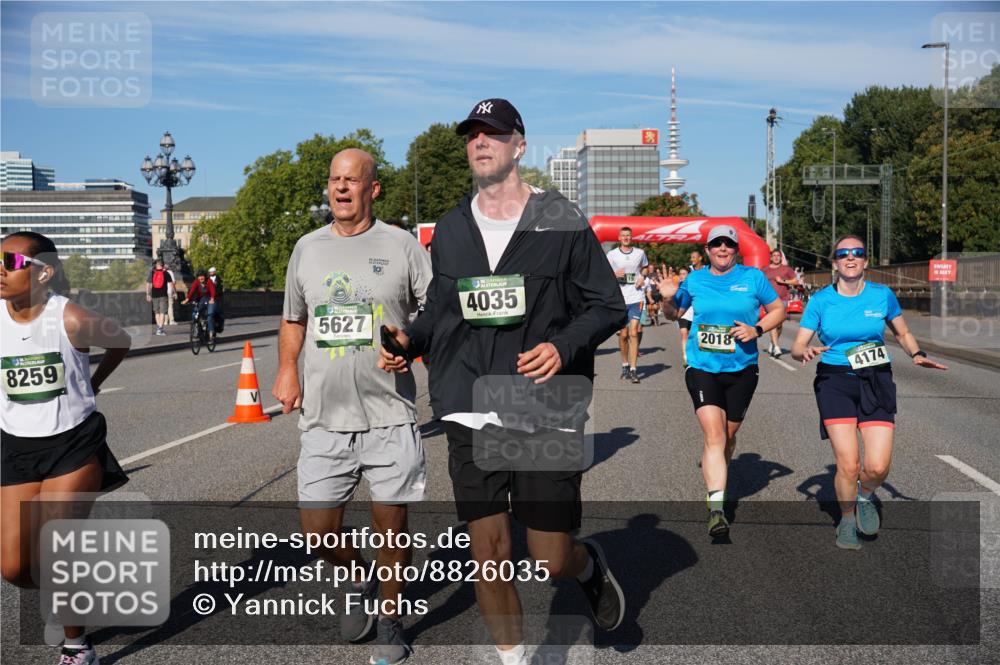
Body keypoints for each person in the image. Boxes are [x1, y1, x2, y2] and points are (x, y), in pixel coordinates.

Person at [379, 98, 627, 665]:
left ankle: (586, 566)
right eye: (472, 134)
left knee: (548, 557)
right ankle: (514, 658)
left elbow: (607, 305)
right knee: (487, 551)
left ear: (519, 145)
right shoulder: (452, 227)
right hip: (468, 404)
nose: (480, 142)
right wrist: (409, 341)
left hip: (543, 405)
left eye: (493, 133)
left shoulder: (559, 217)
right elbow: (442, 309)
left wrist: (562, 347)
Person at [272, 148, 431, 664]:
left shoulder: (402, 245)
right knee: (318, 534)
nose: (341, 188)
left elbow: (432, 314)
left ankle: (390, 619)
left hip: (389, 413)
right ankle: (360, 577)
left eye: (352, 180)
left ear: (373, 189)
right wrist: (287, 367)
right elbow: (295, 318)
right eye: (334, 180)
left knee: (392, 524)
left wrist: (411, 344)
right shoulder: (307, 248)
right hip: (324, 415)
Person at [1, 231, 131, 665]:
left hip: (72, 444)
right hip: (16, 448)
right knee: (14, 567)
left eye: (11, 262)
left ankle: (78, 649)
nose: (1, 269)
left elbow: (121, 341)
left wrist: (91, 384)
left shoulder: (70, 317)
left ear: (44, 272)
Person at [791, 235, 946, 550]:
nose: (851, 258)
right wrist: (802, 351)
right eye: (843, 254)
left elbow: (901, 331)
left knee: (877, 466)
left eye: (857, 253)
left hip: (876, 380)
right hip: (835, 382)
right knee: (848, 464)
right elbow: (796, 345)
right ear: (834, 262)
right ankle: (846, 520)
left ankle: (865, 496)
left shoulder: (882, 295)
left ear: (865, 260)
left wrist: (917, 354)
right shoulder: (821, 301)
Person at [658, 225, 785, 538]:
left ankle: (718, 471)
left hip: (742, 368)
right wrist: (667, 299)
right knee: (714, 435)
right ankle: (717, 508)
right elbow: (675, 313)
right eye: (716, 245)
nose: (723, 249)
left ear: (736, 249)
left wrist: (757, 329)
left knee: (727, 437)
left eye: (728, 244)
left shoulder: (752, 278)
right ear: (707, 250)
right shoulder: (696, 279)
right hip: (702, 366)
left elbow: (778, 310)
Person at [606, 227, 648, 383]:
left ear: (632, 237)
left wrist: (642, 277)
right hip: (619, 299)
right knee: (623, 335)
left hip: (637, 296)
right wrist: (614, 274)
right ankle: (624, 364)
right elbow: (603, 271)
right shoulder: (612, 254)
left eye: (628, 235)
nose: (626, 237)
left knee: (634, 332)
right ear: (619, 237)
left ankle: (633, 369)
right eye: (623, 235)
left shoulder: (640, 253)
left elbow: (645, 268)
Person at [762, 248, 798, 358]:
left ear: (780, 258)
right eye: (774, 255)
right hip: (769, 300)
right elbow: (759, 281)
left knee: (779, 324)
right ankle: (777, 347)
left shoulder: (786, 269)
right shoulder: (765, 269)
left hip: (783, 299)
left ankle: (773, 342)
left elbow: (796, 281)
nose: (776, 257)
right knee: (773, 322)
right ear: (771, 258)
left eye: (778, 255)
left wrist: (783, 281)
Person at [181, 269, 217, 341]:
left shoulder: (209, 282)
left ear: (205, 276)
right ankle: (198, 330)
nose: (201, 278)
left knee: (210, 315)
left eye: (202, 276)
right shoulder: (196, 282)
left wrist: (212, 299)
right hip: (201, 300)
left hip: (209, 299)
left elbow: (213, 291)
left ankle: (211, 332)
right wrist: (187, 299)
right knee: (195, 314)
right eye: (199, 277)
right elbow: (192, 291)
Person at [145, 258, 175, 336]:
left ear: (156, 265)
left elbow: (148, 284)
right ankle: (160, 329)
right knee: (162, 312)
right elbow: (171, 283)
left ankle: (159, 328)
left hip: (154, 294)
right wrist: (174, 292)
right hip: (163, 295)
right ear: (163, 265)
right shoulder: (166, 273)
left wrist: (148, 294)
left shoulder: (152, 272)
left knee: (156, 312)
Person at [675, 266, 692, 367]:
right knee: (684, 334)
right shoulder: (677, 287)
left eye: (684, 273)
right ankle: (686, 358)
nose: (682, 276)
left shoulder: (694, 285)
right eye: (680, 274)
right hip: (682, 314)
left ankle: (693, 355)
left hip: (693, 314)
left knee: (692, 335)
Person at [208, 266, 225, 333]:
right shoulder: (207, 279)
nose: (211, 273)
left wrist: (215, 295)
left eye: (212, 272)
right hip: (208, 298)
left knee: (217, 313)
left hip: (216, 299)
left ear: (215, 272)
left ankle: (218, 325)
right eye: (210, 272)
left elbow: (220, 290)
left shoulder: (219, 279)